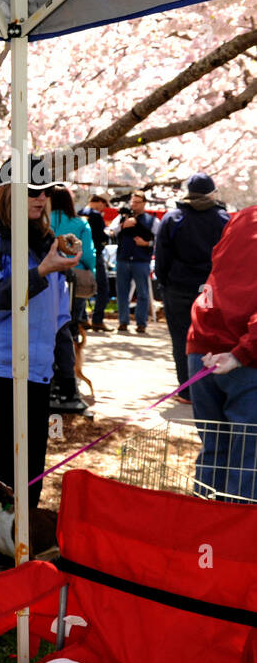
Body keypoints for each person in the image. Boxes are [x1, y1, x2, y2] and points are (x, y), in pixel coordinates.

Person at [0, 177, 78, 522]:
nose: (40, 199)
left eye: (46, 192)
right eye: (31, 191)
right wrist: (40, 272)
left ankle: (17, 557)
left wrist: (66, 372)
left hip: (36, 372)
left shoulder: (46, 242)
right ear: (9, 192)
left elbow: (59, 315)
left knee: (27, 472)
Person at [186, 204, 257, 503]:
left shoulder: (241, 216)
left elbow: (220, 273)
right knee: (246, 460)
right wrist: (242, 353)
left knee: (214, 449)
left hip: (203, 342)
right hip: (244, 356)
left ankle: (200, 535)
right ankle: (232, 543)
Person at [155, 173, 229, 399]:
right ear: (211, 192)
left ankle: (186, 390)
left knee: (180, 337)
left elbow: (161, 257)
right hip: (208, 289)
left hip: (177, 287)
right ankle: (206, 388)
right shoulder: (223, 219)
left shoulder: (174, 218)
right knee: (206, 336)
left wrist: (164, 282)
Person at [49, 185, 95, 413]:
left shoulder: (43, 220)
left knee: (50, 329)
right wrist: (88, 268)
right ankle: (68, 377)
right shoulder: (80, 224)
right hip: (73, 282)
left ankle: (51, 379)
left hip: (46, 279)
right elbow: (87, 254)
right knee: (70, 329)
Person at [111, 190, 157, 333]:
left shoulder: (152, 220)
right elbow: (111, 232)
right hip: (123, 259)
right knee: (122, 292)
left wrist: (146, 244)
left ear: (144, 203)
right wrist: (123, 225)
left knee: (143, 293)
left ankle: (141, 323)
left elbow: (159, 240)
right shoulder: (121, 217)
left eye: (137, 202)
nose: (134, 205)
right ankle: (123, 321)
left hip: (141, 260)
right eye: (133, 202)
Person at [79, 193, 112, 331]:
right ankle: (97, 320)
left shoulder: (79, 213)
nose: (104, 208)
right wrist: (108, 236)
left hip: (79, 255)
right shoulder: (97, 216)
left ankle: (83, 318)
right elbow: (101, 237)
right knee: (103, 288)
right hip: (95, 254)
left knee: (81, 287)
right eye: (104, 205)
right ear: (99, 202)